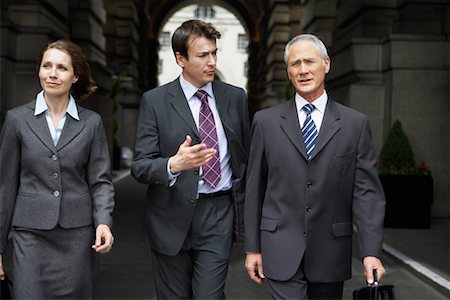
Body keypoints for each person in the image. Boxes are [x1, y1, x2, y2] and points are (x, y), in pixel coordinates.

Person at [244, 33, 386, 299]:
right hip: (280, 247)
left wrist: (371, 252)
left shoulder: (355, 124)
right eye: (295, 64)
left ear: (327, 64)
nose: (303, 70)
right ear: (288, 72)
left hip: (331, 252)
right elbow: (254, 189)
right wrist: (253, 248)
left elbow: (367, 193)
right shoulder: (266, 122)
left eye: (309, 61)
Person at [131, 19, 250, 299]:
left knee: (209, 295)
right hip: (169, 216)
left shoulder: (235, 98)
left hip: (218, 213)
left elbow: (245, 159)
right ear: (180, 59)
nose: (211, 62)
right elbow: (140, 166)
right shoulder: (155, 101)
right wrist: (173, 165)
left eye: (214, 53)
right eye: (202, 55)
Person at [0, 39, 115, 299]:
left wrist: (104, 223)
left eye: (62, 68)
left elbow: (100, 182)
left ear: (75, 76)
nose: (52, 74)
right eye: (47, 66)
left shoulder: (91, 123)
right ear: (39, 70)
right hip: (29, 234)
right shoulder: (17, 120)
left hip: (77, 236)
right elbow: (5, 186)